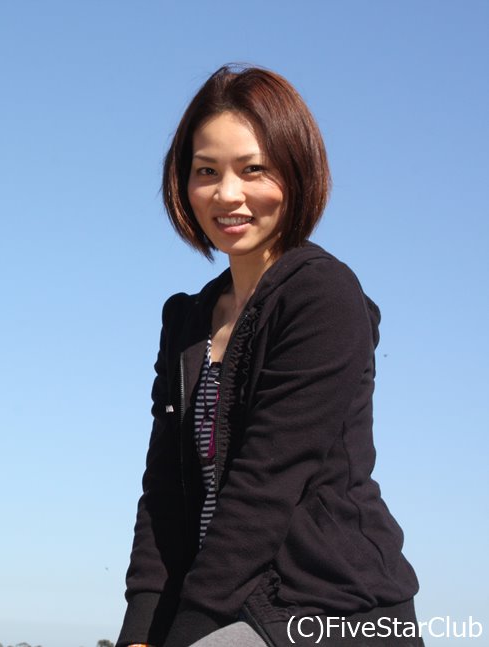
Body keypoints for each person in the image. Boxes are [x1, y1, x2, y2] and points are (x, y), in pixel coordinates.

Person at [116, 65, 422, 647]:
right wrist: (140, 627)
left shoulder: (322, 297)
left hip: (328, 609)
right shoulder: (186, 318)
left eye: (253, 169)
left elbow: (266, 488)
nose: (227, 194)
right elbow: (163, 491)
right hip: (220, 606)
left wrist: (185, 632)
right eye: (206, 171)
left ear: (296, 171)